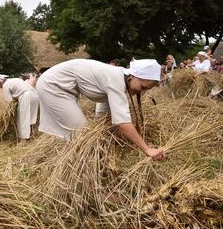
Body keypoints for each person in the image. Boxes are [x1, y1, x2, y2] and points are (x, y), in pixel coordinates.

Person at [36, 59, 165, 161]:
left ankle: (77, 166)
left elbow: (103, 117)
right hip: (53, 86)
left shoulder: (119, 79)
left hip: (60, 87)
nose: (142, 92)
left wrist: (112, 136)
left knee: (83, 136)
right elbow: (123, 123)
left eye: (146, 89)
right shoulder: (116, 79)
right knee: (82, 135)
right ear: (133, 76)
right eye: (143, 87)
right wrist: (147, 149)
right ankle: (89, 186)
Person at [0, 73, 39, 141]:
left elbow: (9, 102)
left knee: (22, 118)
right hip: (34, 96)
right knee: (30, 116)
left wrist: (9, 112)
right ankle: (31, 135)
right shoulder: (15, 79)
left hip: (26, 97)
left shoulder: (5, 85)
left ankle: (23, 139)